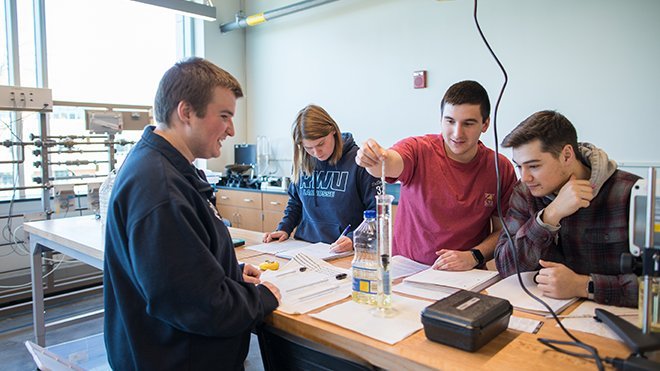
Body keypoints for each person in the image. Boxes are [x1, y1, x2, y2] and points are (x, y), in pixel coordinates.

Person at [103, 57, 280, 370]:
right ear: (185, 112)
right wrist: (262, 298)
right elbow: (200, 306)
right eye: (224, 115)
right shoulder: (160, 188)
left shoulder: (167, 169)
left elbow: (175, 270)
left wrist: (228, 273)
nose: (231, 129)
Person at [356, 80, 517, 270]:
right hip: (407, 269)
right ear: (441, 119)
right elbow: (388, 163)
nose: (457, 133)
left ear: (485, 124)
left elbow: (503, 230)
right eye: (450, 121)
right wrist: (373, 158)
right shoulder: (418, 149)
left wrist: (474, 256)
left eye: (468, 123)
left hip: (463, 273)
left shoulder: (500, 168)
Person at [494, 110, 640, 307]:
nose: (525, 177)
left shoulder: (631, 192)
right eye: (519, 167)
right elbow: (506, 267)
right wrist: (549, 216)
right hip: (542, 317)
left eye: (534, 166)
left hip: (615, 320)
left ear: (567, 155)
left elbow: (653, 288)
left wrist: (584, 286)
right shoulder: (524, 192)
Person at [262, 104, 379, 252]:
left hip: (345, 251)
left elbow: (377, 212)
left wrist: (354, 238)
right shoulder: (301, 162)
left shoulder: (360, 162)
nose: (316, 152)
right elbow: (295, 203)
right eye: (308, 148)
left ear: (333, 131)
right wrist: (284, 228)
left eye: (321, 144)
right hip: (304, 247)